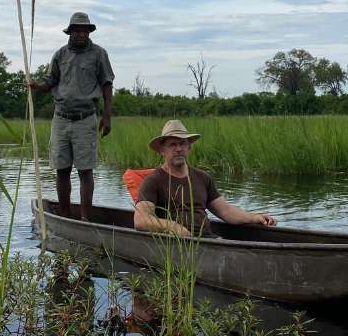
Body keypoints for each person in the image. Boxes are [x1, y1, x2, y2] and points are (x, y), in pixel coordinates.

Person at [28, 12, 114, 219]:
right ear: (70, 32)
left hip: (85, 118)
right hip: (61, 118)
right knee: (61, 169)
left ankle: (85, 218)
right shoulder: (60, 55)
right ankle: (65, 216)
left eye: (85, 30)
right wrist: (36, 86)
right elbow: (50, 82)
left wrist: (107, 116)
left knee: (85, 170)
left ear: (89, 32)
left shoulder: (99, 54)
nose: (81, 34)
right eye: (77, 30)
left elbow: (107, 84)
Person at [134, 119, 276, 237]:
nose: (178, 149)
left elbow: (226, 211)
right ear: (162, 150)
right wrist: (174, 227)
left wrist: (254, 217)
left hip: (208, 240)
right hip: (175, 244)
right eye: (172, 144)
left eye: (182, 143)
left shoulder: (203, 178)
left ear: (189, 147)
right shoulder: (153, 181)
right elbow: (141, 220)